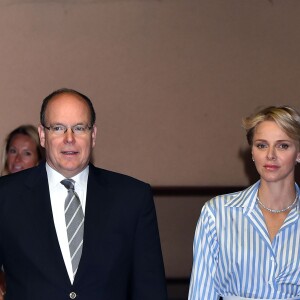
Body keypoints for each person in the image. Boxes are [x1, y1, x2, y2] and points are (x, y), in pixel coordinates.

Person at [0, 88, 167, 300]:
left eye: (79, 128)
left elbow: (150, 289)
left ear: (93, 135)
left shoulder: (132, 198)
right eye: (59, 128)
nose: (69, 138)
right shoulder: (6, 197)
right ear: (42, 135)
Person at [188, 106, 300, 300]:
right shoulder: (217, 213)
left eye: (283, 145)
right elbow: (201, 292)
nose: (270, 155)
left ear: (298, 154)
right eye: (262, 145)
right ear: (252, 153)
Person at [0, 125, 44, 297]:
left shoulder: (47, 203)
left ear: (39, 160)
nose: (18, 159)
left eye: (27, 153)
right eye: (13, 151)